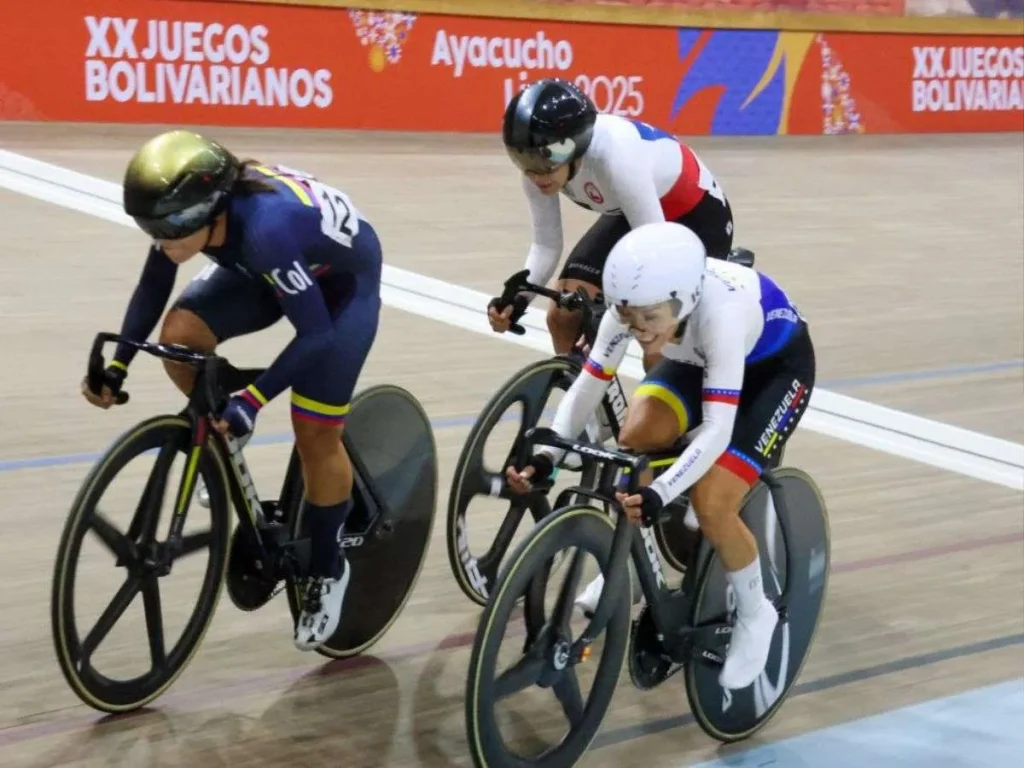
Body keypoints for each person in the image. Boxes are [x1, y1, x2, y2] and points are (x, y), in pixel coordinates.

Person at [80, 129, 383, 652]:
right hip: (270, 270)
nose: (159, 238)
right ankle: (228, 421)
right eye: (149, 226)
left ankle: (329, 570)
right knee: (180, 339)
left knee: (314, 432)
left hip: (338, 291)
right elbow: (154, 287)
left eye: (169, 227)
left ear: (210, 212)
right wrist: (119, 364)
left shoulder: (267, 230)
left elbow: (316, 334)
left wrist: (253, 399)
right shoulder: (186, 219)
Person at [504, 221, 816, 691]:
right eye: (631, 317)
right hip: (697, 361)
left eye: (653, 317)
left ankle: (757, 614)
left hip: (773, 372)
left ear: (685, 299)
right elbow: (589, 382)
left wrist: (662, 491)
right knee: (635, 435)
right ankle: (636, 555)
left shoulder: (720, 316)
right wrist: (548, 454)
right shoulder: (635, 309)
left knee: (713, 503)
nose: (641, 329)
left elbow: (717, 429)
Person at [488, 77, 735, 371]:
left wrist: (614, 317)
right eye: (522, 159)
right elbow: (545, 245)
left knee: (657, 349)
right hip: (637, 215)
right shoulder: (537, 169)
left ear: (575, 146)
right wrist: (517, 301)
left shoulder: (617, 156)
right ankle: (594, 414)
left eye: (545, 161)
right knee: (563, 316)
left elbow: (654, 250)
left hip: (696, 219)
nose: (537, 174)